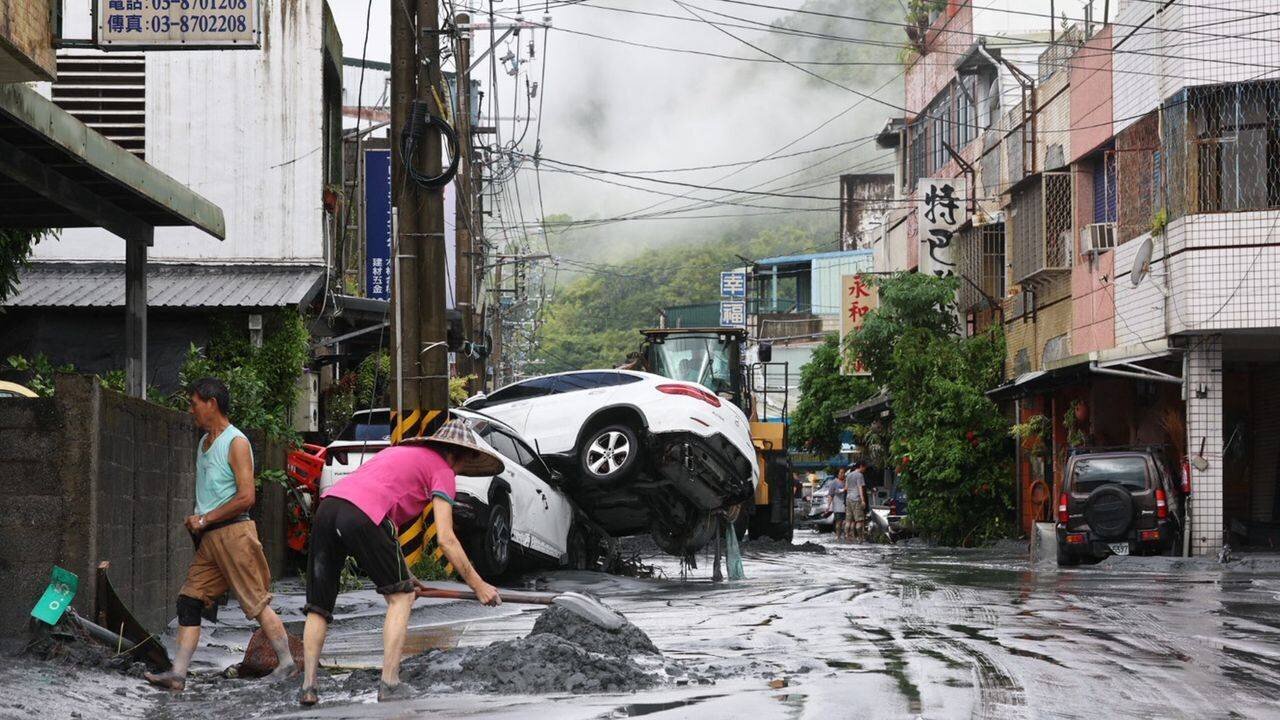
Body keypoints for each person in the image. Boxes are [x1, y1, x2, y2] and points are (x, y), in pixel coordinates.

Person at [299, 417, 504, 705]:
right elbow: (446, 538)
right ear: (463, 455)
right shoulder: (443, 470)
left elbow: (385, 528)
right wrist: (479, 585)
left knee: (319, 606)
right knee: (402, 598)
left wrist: (405, 573)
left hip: (329, 509)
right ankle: (390, 683)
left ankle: (308, 687)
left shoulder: (398, 454)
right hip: (361, 515)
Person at [145, 378, 294, 691]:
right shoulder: (204, 442)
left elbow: (246, 497)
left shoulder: (235, 442)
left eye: (194, 403)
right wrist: (201, 521)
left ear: (211, 403)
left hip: (235, 534)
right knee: (189, 601)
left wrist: (205, 517)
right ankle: (178, 675)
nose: (191, 410)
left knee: (256, 603)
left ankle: (288, 664)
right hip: (211, 539)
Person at [846, 462, 869, 543]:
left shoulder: (848, 475)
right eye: (865, 468)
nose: (865, 470)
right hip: (856, 498)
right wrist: (863, 500)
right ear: (861, 466)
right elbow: (860, 488)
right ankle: (860, 538)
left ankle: (847, 536)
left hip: (848, 498)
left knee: (849, 520)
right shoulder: (859, 475)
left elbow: (846, 487)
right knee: (859, 520)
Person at [822, 469, 846, 539]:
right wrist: (828, 506)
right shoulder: (834, 483)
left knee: (846, 521)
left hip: (847, 505)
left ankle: (845, 535)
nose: (843, 474)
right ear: (838, 474)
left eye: (844, 473)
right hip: (838, 505)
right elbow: (830, 495)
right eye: (841, 473)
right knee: (838, 522)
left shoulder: (846, 482)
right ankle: (837, 536)